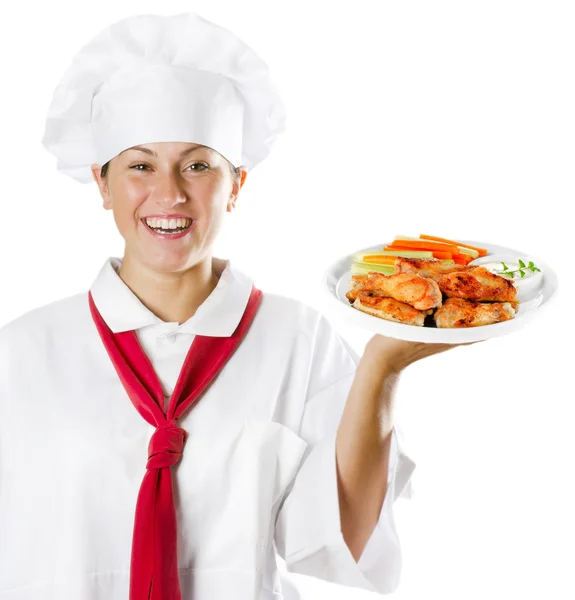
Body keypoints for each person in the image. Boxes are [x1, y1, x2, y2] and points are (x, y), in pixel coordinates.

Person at [0, 12, 464, 600]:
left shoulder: (298, 338)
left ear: (236, 184)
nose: (169, 193)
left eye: (198, 165)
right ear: (101, 182)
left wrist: (383, 366)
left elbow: (340, 538)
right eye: (140, 166)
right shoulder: (20, 353)